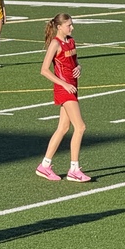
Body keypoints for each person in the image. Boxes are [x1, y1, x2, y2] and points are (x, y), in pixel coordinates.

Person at [36, 13, 91, 183]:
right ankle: (74, 169)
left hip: (73, 88)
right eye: (69, 25)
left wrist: (79, 67)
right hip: (64, 89)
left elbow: (74, 61)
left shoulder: (71, 41)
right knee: (80, 127)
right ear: (59, 27)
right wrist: (64, 84)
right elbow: (44, 70)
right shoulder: (55, 44)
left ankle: (45, 165)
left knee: (63, 127)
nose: (72, 28)